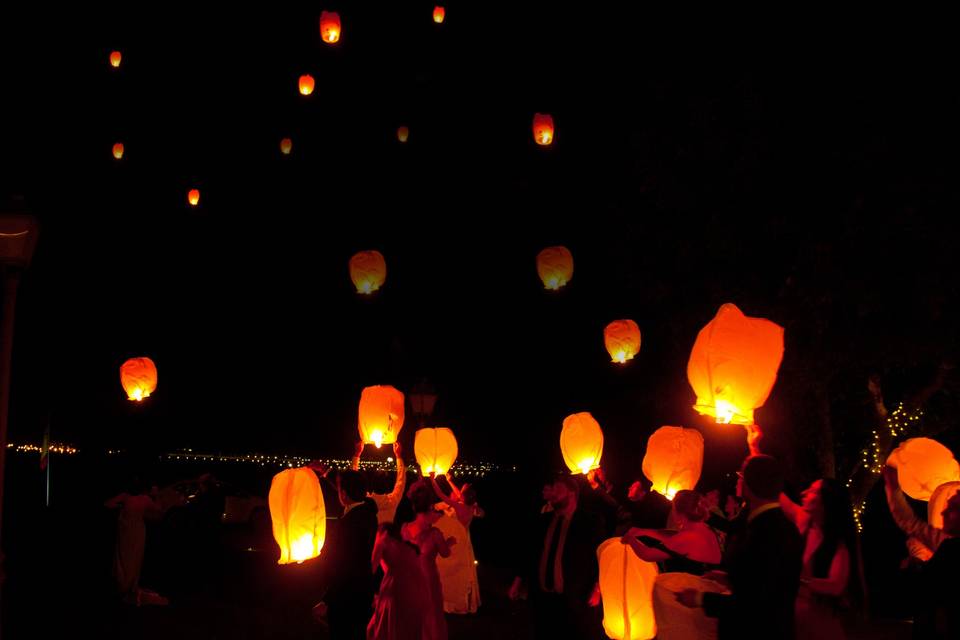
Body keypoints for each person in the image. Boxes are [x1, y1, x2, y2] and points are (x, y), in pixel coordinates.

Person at [676, 455, 803, 640]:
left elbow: (754, 605)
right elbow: (763, 581)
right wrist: (730, 578)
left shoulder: (763, 534)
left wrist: (699, 599)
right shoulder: (781, 526)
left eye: (741, 476)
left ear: (748, 485)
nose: (738, 480)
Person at [509, 474, 604, 640]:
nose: (553, 494)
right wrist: (517, 582)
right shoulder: (543, 521)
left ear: (572, 493)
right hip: (542, 597)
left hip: (574, 598)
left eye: (558, 490)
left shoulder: (590, 521)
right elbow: (530, 553)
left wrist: (598, 588)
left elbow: (600, 557)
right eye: (553, 490)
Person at [621, 490, 724, 640]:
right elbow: (673, 535)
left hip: (689, 610)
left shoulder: (686, 538)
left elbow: (648, 554)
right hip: (708, 605)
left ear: (679, 513)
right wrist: (644, 532)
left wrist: (630, 539)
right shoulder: (707, 530)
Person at [883, 465, 960, 638]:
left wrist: (916, 568)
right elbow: (910, 523)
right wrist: (893, 487)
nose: (943, 511)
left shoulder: (948, 547)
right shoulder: (944, 542)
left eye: (953, 507)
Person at [780, 478, 856, 639]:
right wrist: (755, 455)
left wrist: (798, 580)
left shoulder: (838, 543)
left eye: (813, 491)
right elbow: (774, 493)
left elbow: (836, 585)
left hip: (821, 626)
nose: (803, 493)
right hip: (797, 620)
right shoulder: (805, 521)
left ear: (826, 502)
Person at [319, 470, 380, 640]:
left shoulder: (350, 523)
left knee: (343, 632)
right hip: (362, 590)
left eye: (339, 489)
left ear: (344, 493)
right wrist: (327, 474)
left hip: (347, 596)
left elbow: (345, 566)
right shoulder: (367, 513)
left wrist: (327, 599)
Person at [402, 478, 455, 640]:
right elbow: (445, 553)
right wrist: (449, 542)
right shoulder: (435, 534)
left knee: (412, 613)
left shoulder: (404, 529)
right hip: (428, 579)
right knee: (431, 615)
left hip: (409, 578)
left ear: (413, 505)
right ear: (430, 506)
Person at [104, 477, 168, 606]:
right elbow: (107, 504)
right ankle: (125, 585)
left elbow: (158, 510)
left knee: (131, 557)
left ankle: (127, 586)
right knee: (127, 557)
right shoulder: (134, 498)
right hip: (129, 531)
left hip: (134, 531)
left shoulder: (137, 498)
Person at [367, 522, 428, 640]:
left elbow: (371, 569)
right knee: (405, 627)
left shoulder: (382, 541)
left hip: (396, 587)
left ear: (383, 532)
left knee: (384, 626)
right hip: (416, 588)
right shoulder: (406, 546)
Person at [430, 473, 482, 613]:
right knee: (463, 570)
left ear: (463, 496)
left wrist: (432, 479)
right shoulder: (470, 508)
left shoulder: (459, 507)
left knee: (451, 571)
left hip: (455, 540)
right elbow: (460, 495)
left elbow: (441, 494)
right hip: (465, 540)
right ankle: (464, 601)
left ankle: (450, 601)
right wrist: (449, 480)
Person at [352, 441, 407, 525]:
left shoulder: (364, 500)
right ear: (387, 485)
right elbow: (401, 479)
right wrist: (398, 456)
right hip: (385, 537)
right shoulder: (393, 500)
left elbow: (354, 480)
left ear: (372, 483)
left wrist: (357, 454)